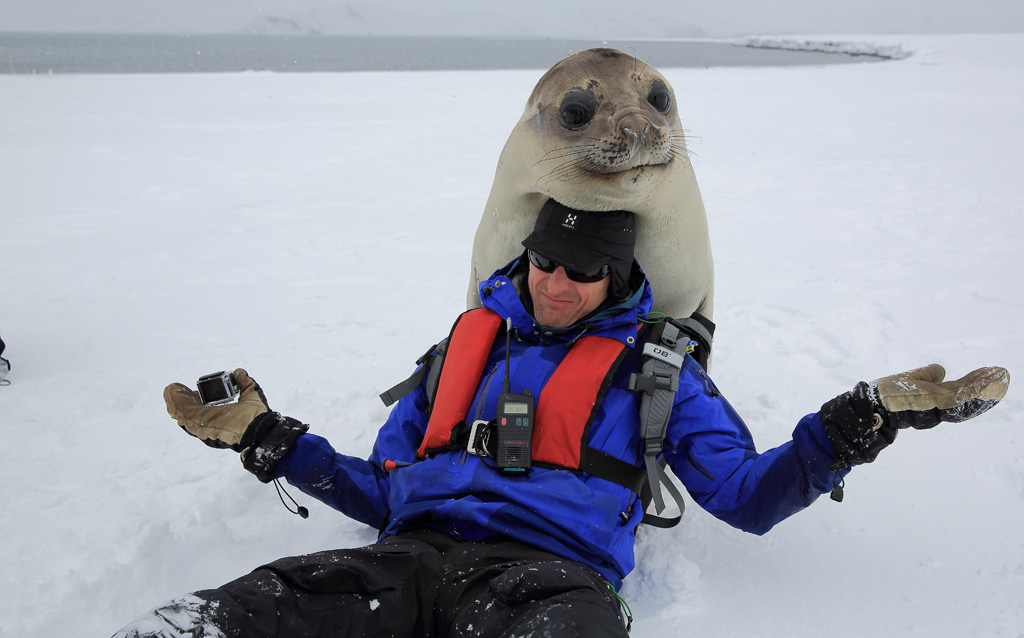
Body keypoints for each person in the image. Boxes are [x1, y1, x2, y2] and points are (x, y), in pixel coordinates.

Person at [114, 199, 1009, 638]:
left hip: (548, 582)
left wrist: (860, 422)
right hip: (406, 559)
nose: (555, 284)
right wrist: (272, 441)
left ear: (616, 281)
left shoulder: (656, 373)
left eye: (582, 272)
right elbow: (382, 490)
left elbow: (748, 496)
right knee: (234, 617)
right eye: (546, 261)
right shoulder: (456, 353)